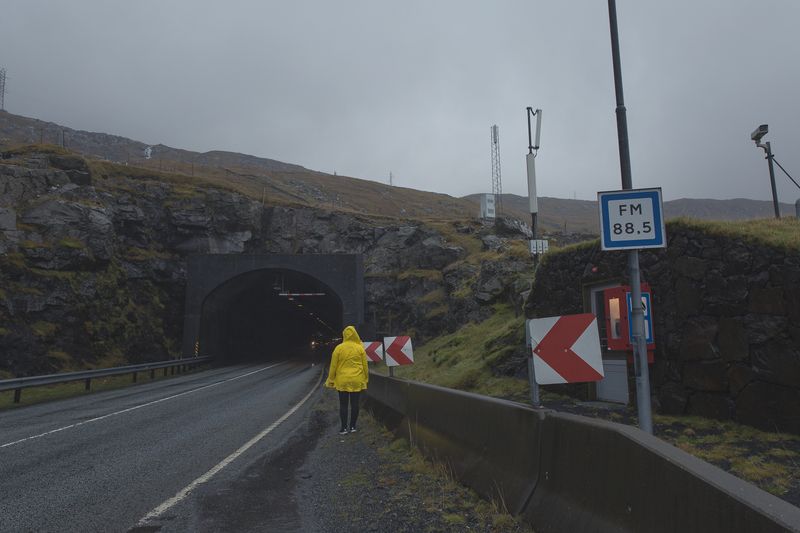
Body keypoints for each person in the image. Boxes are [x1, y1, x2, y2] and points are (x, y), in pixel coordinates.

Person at [325, 325, 369, 435]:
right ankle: (353, 426)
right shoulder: (360, 348)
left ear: (344, 335)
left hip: (342, 381)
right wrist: (365, 378)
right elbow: (365, 366)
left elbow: (333, 366)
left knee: (343, 405)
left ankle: (343, 428)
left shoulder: (338, 348)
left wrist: (330, 379)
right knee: (355, 404)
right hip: (356, 380)